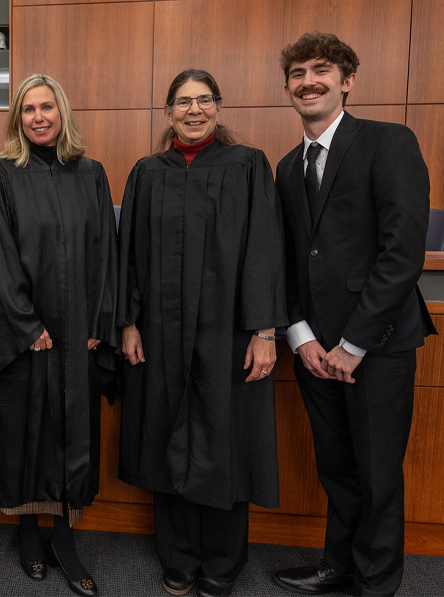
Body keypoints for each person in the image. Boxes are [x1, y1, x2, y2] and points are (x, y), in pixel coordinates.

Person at [272, 32, 435, 597]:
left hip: (377, 346)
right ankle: (338, 566)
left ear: (348, 80)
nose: (308, 81)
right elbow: (288, 260)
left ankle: (375, 584)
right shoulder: (287, 167)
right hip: (315, 351)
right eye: (297, 73)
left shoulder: (389, 142)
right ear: (288, 87)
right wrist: (300, 336)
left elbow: (402, 252)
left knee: (378, 474)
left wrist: (354, 344)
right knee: (337, 470)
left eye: (321, 70)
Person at [117, 69, 287, 597]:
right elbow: (129, 255)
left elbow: (264, 248)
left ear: (218, 106)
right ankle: (178, 556)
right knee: (167, 434)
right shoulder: (147, 173)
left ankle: (221, 561)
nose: (194, 110)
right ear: (168, 111)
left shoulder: (248, 165)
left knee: (223, 439)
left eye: (204, 100)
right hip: (161, 333)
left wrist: (265, 331)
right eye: (183, 102)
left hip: (228, 334)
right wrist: (128, 322)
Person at [0, 73, 118, 596]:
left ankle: (64, 536)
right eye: (29, 109)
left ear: (63, 114)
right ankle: (29, 532)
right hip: (25, 334)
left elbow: (106, 252)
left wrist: (98, 323)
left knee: (71, 430)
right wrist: (25, 323)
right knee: (24, 429)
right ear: (18, 118)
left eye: (47, 107)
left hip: (78, 331)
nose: (39, 117)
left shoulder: (91, 173)